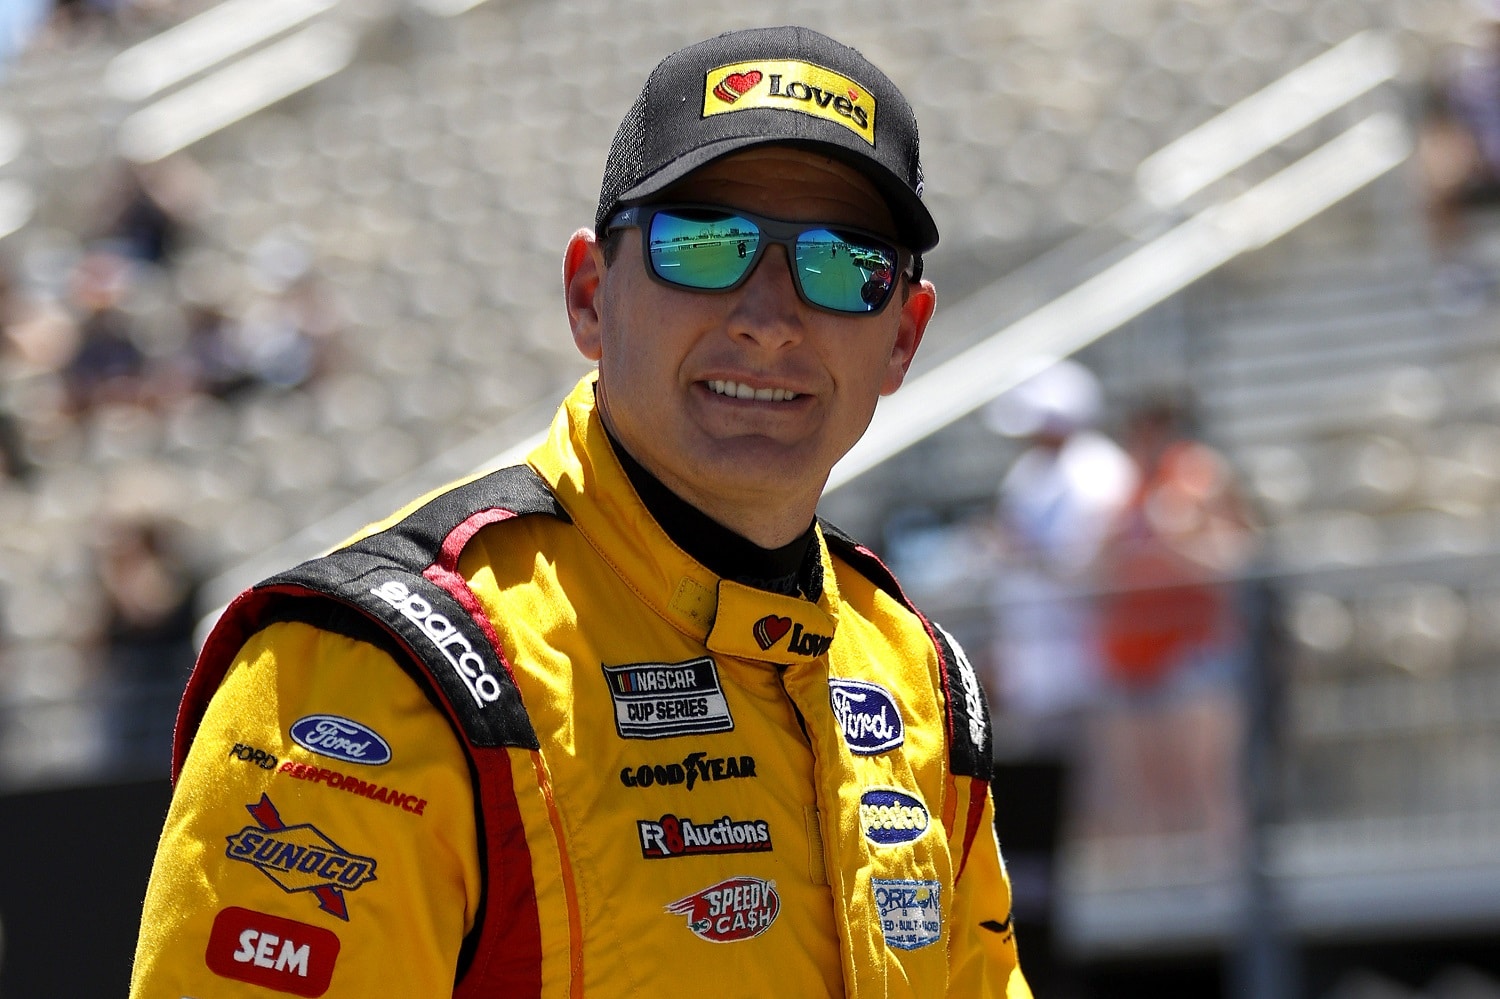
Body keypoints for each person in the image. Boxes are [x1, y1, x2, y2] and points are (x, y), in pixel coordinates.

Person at [131, 26, 1029, 998]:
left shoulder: (915, 675)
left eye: (843, 265)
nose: (770, 318)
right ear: (590, 296)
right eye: (704, 244)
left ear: (903, 336)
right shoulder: (376, 673)